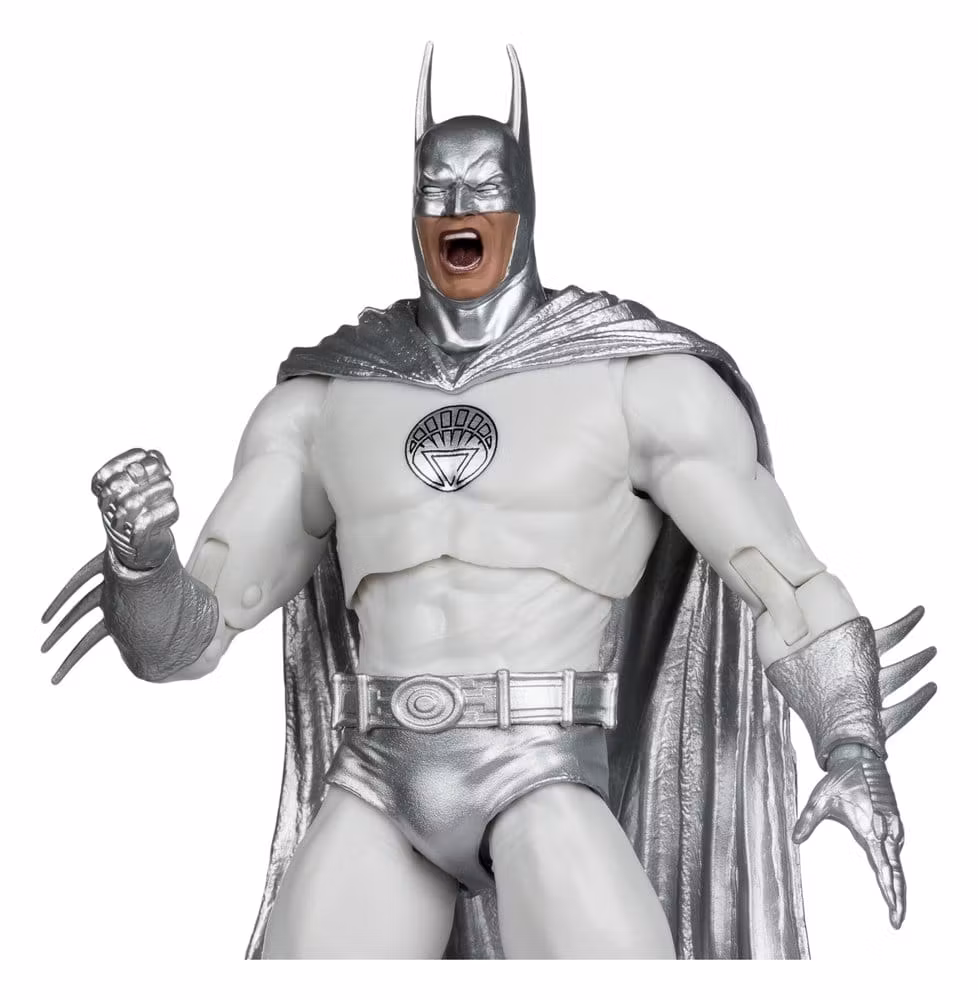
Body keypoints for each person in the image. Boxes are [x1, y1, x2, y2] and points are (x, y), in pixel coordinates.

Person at [42, 43, 935, 960]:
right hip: (378, 775)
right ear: (412, 210)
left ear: (525, 204)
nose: (459, 205)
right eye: (437, 188)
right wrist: (141, 563)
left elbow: (787, 583)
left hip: (541, 770)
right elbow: (185, 643)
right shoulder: (326, 402)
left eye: (485, 184)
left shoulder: (633, 382)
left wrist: (852, 743)